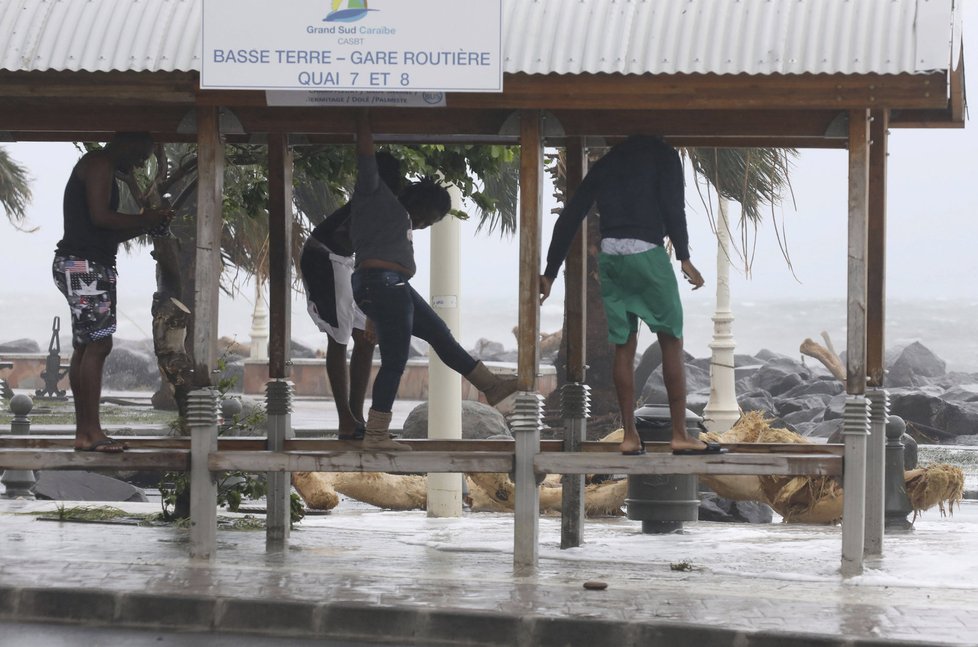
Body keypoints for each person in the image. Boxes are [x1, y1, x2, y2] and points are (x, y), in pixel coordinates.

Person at [539, 135, 726, 456]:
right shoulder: (664, 155)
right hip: (648, 256)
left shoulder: (609, 162)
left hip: (612, 258)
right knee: (671, 341)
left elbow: (571, 215)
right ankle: (680, 434)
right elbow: (673, 207)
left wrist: (550, 273)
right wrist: (684, 256)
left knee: (624, 347)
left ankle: (629, 436)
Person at [349, 110, 518, 450]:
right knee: (396, 361)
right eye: (430, 218)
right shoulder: (374, 195)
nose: (427, 224)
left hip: (387, 286)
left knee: (439, 334)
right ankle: (377, 434)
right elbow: (366, 156)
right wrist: (363, 116)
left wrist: (370, 315)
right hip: (384, 284)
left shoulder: (388, 214)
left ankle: (491, 385)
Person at [53, 132, 173, 453]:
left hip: (88, 263)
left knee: (87, 345)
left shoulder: (105, 169)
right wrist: (144, 218)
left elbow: (103, 231)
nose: (139, 164)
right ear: (129, 142)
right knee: (98, 344)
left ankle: (85, 434)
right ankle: (91, 432)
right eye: (141, 155)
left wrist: (148, 225)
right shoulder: (98, 164)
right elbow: (101, 217)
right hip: (83, 266)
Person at [301, 185, 389, 440]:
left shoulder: (387, 210)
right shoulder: (376, 207)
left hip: (346, 261)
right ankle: (345, 421)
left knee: (365, 338)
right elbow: (371, 257)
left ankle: (356, 417)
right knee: (339, 337)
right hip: (324, 258)